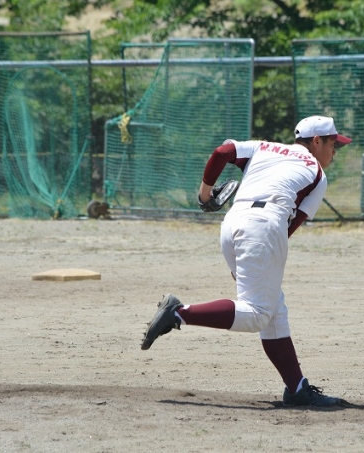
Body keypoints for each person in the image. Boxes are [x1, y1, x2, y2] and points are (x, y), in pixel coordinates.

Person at [141, 115, 352, 406]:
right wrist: (261, 253)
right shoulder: (317, 173)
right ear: (317, 141)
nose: (334, 151)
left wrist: (205, 196)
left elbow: (222, 152)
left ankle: (297, 389)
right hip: (263, 226)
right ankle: (179, 313)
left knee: (274, 307)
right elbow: (289, 227)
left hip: (232, 223)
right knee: (257, 313)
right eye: (332, 144)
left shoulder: (264, 147)